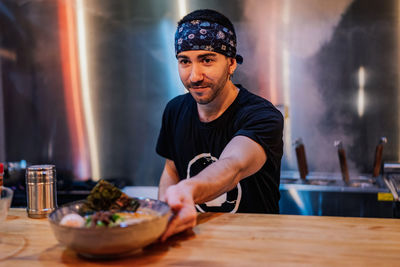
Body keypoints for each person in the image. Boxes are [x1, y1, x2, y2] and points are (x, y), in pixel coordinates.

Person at [156, 9, 284, 241]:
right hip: (195, 242)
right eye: (185, 61)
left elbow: (233, 165)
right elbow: (171, 170)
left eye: (207, 60)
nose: (194, 75)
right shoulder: (174, 111)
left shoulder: (262, 115)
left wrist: (188, 190)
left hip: (256, 245)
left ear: (231, 63)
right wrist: (167, 215)